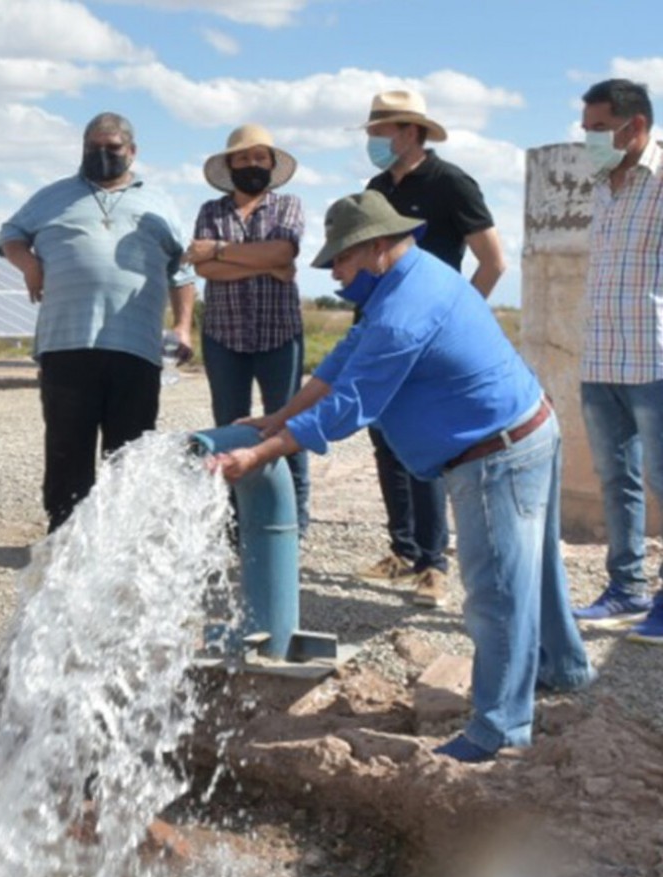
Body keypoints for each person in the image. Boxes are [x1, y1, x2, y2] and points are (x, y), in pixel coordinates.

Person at [212, 191, 592, 763]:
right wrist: (277, 416)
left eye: (340, 259)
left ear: (376, 247)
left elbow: (350, 405)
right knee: (534, 571)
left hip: (493, 453)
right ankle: (563, 671)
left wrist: (263, 452)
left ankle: (499, 731)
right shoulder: (406, 283)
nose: (336, 274)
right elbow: (342, 362)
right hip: (526, 428)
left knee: (496, 596)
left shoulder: (404, 310)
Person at [0, 112, 195, 533]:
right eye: (92, 148)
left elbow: (181, 271)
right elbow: (10, 233)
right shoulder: (53, 197)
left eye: (112, 149)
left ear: (132, 151)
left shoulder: (159, 203)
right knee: (67, 444)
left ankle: (120, 538)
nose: (101, 156)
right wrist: (28, 262)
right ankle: (65, 534)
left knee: (129, 448)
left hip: (136, 345)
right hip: (66, 342)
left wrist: (182, 327)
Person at [356, 89, 507, 606]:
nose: (375, 140)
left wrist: (456, 318)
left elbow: (493, 262)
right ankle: (402, 549)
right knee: (385, 442)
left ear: (412, 132)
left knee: (423, 446)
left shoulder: (452, 184)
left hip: (427, 337)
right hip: (379, 330)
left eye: (383, 130)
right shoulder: (376, 187)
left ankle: (433, 564)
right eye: (372, 131)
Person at [569, 78, 663, 646]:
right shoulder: (603, 184)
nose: (589, 140)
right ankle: (625, 588)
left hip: (655, 355)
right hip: (601, 353)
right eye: (585, 130)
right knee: (616, 479)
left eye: (599, 129)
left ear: (636, 126)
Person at [185, 124, 307, 534]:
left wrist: (222, 252)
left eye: (260, 158)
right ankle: (237, 521)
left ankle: (293, 520)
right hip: (225, 334)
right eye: (243, 158)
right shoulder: (211, 211)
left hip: (279, 333)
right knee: (230, 424)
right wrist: (266, 264)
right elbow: (203, 269)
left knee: (289, 423)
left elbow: (283, 250)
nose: (251, 165)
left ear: (271, 164)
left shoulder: (288, 205)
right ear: (230, 165)